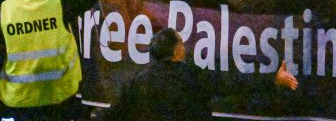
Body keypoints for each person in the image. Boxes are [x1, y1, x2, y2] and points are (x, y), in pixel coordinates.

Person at [105, 27, 299, 119]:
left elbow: (112, 114)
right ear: (176, 51)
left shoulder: (137, 83)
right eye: (181, 42)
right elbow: (233, 83)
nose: (185, 47)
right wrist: (272, 79)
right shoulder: (191, 75)